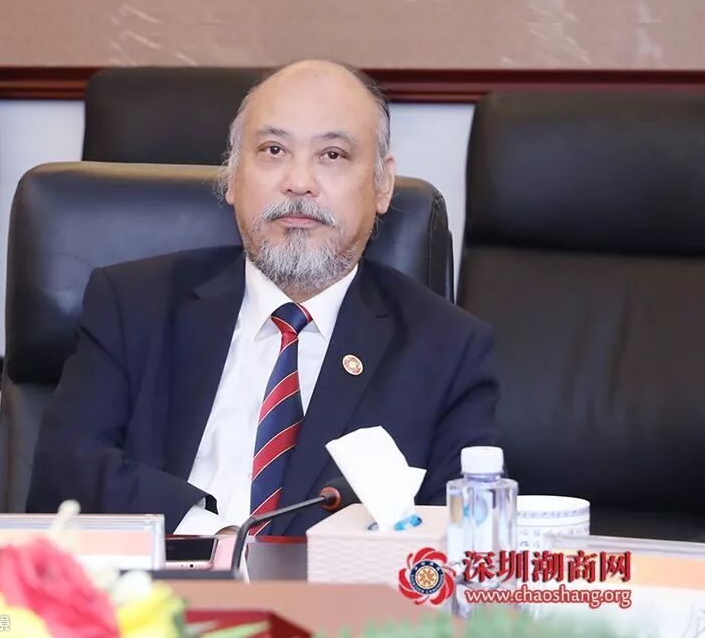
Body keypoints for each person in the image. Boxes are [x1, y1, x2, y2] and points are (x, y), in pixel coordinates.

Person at [27, 59, 499, 536]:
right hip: (154, 578)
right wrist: (212, 539)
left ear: (382, 185)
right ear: (233, 176)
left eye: (332, 155)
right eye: (274, 150)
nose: (299, 181)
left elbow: (462, 536)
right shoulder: (133, 306)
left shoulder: (448, 349)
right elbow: (65, 473)